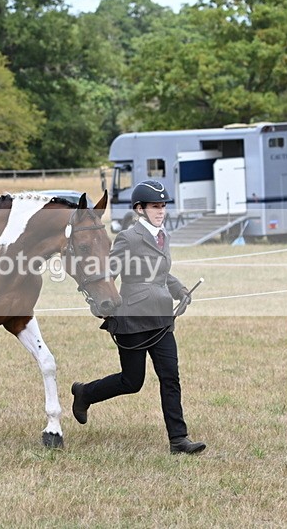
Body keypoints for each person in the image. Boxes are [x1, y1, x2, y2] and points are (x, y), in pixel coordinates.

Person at [70, 180, 206, 455]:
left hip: (162, 318)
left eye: (163, 206)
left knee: (170, 377)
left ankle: (179, 440)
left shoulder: (162, 235)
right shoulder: (128, 238)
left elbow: (160, 271)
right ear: (139, 209)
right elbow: (109, 272)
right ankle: (85, 393)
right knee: (132, 382)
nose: (161, 211)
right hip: (133, 319)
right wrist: (100, 302)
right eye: (156, 206)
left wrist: (178, 288)